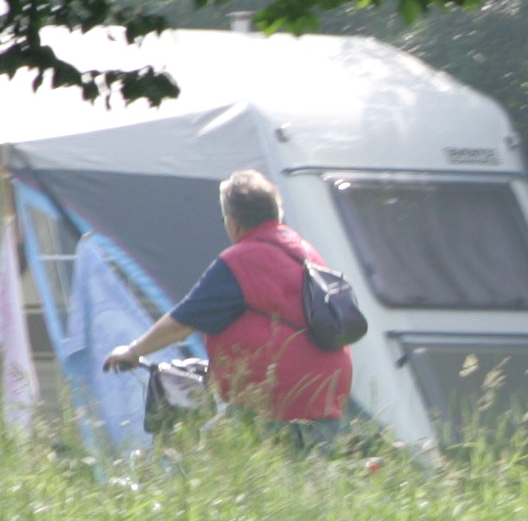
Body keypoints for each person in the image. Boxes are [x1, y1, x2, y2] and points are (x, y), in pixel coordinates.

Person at [105, 170, 355, 448]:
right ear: (277, 214)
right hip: (328, 393)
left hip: (276, 401)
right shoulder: (304, 251)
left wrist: (132, 351)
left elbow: (182, 323)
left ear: (233, 223)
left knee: (221, 464)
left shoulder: (241, 260)